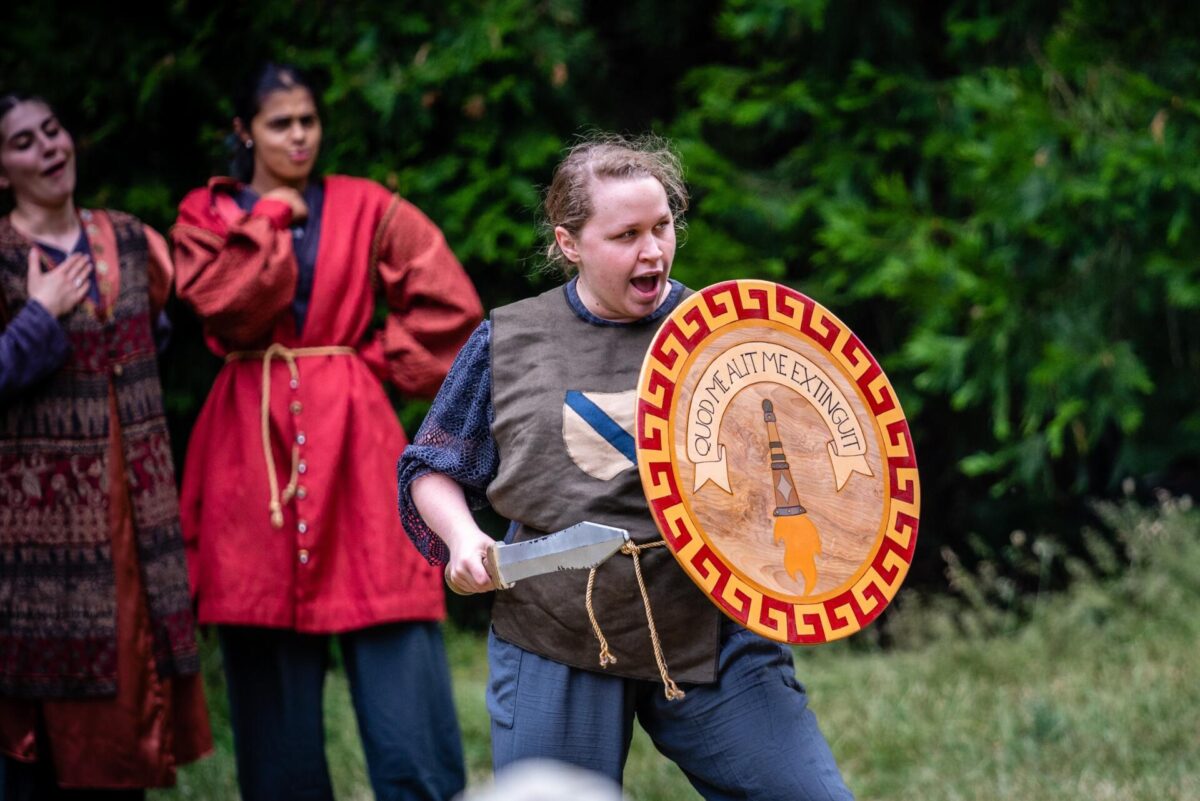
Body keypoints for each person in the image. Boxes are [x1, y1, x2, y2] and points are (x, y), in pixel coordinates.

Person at [398, 134, 855, 801]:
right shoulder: (512, 338)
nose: (653, 250)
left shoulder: (723, 334)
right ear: (570, 241)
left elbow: (804, 469)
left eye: (663, 226)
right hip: (558, 628)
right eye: (627, 234)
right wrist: (465, 538)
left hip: (705, 624)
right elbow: (432, 465)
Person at [170, 64, 481, 801]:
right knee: (264, 643)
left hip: (357, 440)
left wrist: (367, 360)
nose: (301, 135)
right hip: (249, 450)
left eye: (308, 119)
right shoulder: (205, 214)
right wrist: (271, 218)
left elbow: (452, 308)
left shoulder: (365, 206)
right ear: (246, 131)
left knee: (392, 608)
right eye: (281, 123)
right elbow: (227, 306)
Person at [0, 92, 212, 799]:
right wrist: (39, 315)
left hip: (134, 519)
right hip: (36, 537)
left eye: (53, 130)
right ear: (2, 170)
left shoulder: (128, 237)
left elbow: (153, 336)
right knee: (41, 724)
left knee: (128, 706)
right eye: (23, 142)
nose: (48, 148)